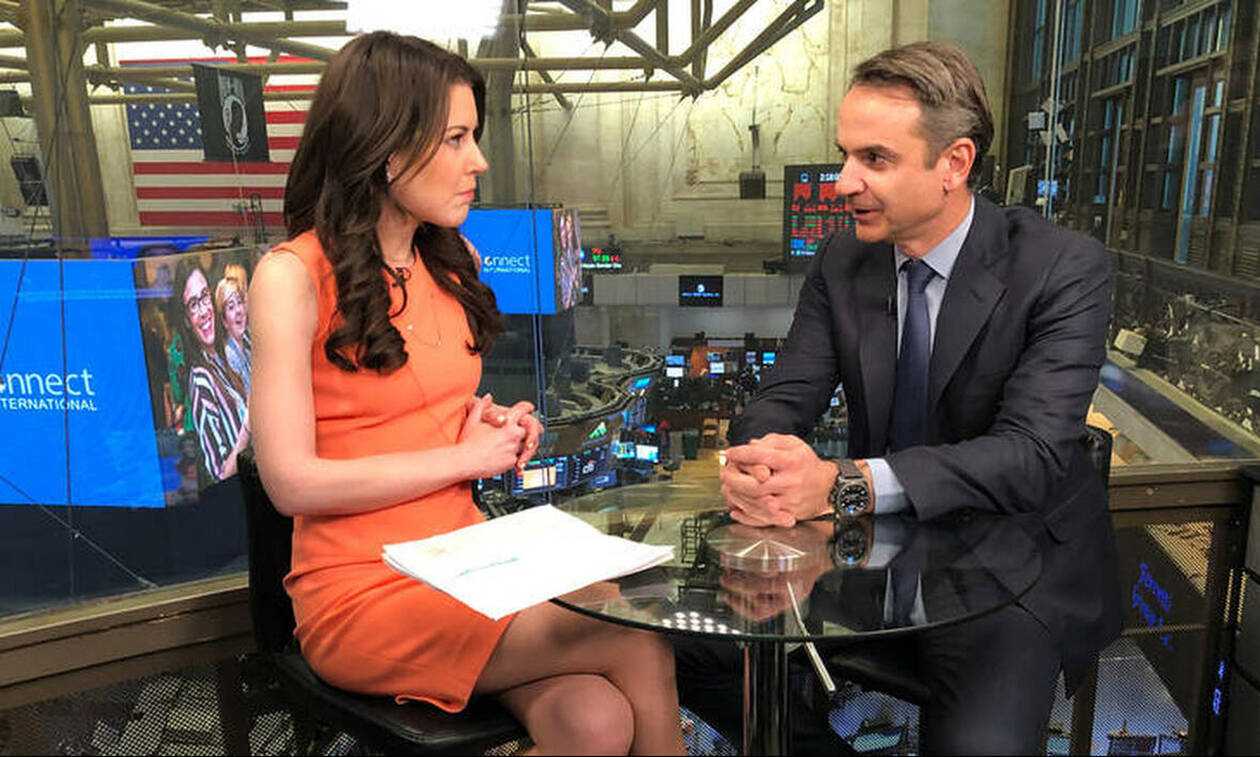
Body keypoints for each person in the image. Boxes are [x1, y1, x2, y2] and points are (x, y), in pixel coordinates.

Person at [248, 32, 684, 756]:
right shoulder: (290, 277)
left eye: (472, 137)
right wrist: (465, 458)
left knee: (595, 721)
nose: (478, 161)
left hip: (467, 560)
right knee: (637, 636)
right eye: (456, 139)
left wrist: (490, 424)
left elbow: (420, 410)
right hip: (361, 591)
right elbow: (291, 482)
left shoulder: (455, 261)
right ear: (387, 149)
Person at [685, 41, 1122, 753]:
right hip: (873, 556)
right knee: (687, 648)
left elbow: (1032, 455)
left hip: (1010, 565)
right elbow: (782, 396)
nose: (842, 182)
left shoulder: (1061, 267)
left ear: (954, 163)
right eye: (845, 155)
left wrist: (844, 483)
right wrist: (762, 459)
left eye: (875, 159)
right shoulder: (843, 259)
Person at [170, 258, 250, 482]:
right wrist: (248, 427)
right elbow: (221, 475)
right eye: (193, 304)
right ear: (187, 320)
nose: (204, 310)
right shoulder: (200, 380)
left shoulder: (227, 355)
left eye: (205, 296)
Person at [214, 274, 252, 394]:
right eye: (231, 307)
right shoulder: (230, 357)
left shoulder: (247, 344)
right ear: (224, 321)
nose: (238, 311)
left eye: (239, 302)